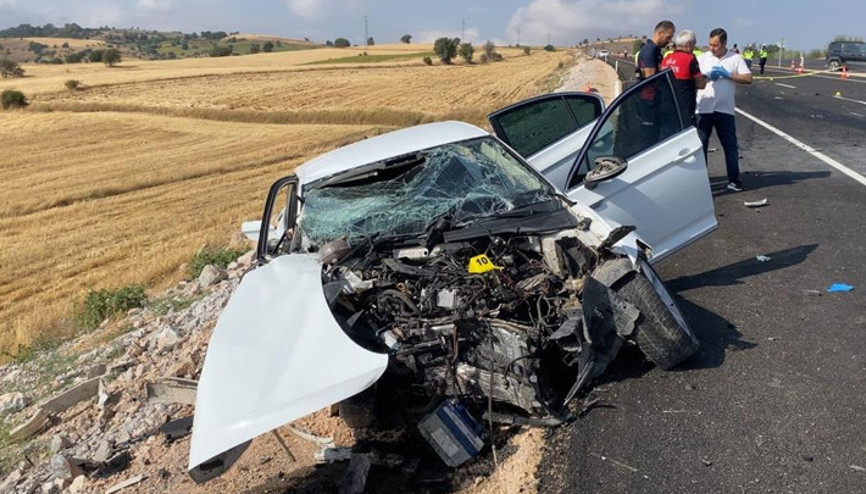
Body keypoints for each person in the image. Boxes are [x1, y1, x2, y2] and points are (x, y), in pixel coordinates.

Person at [696, 28, 753, 192]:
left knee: (730, 146)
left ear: (724, 43)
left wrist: (728, 75)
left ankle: (734, 180)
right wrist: (706, 76)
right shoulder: (702, 58)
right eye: (710, 44)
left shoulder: (735, 59)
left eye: (715, 45)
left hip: (724, 110)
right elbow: (695, 80)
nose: (712, 48)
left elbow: (748, 78)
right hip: (703, 109)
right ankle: (701, 183)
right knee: (701, 147)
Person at [661, 30, 707, 125]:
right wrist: (705, 77)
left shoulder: (667, 59)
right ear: (689, 44)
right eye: (694, 44)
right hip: (684, 108)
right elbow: (700, 84)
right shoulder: (689, 59)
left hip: (666, 105)